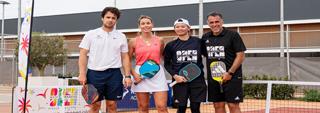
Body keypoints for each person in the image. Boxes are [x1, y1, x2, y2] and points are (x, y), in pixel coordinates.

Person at [78, 7, 132, 113]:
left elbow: (125, 57)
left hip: (114, 74)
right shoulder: (91, 34)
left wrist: (127, 76)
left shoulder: (121, 36)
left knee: (112, 105)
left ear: (116, 20)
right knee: (95, 105)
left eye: (113, 18)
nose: (110, 20)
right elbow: (83, 54)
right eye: (108, 17)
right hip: (94, 74)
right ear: (102, 18)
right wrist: (82, 73)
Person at [201, 12, 246, 113]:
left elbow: (241, 56)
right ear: (208, 23)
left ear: (222, 22)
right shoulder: (205, 37)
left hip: (232, 77)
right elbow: (203, 54)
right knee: (218, 105)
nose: (214, 24)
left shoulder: (233, 35)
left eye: (217, 21)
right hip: (214, 77)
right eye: (211, 22)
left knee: (233, 105)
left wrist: (230, 73)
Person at [163, 18, 207, 113]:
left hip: (197, 80)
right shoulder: (170, 45)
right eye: (177, 27)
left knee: (195, 108)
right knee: (181, 108)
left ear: (188, 28)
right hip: (179, 81)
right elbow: (166, 63)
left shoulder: (198, 42)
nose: (180, 28)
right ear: (174, 29)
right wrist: (175, 76)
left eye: (183, 26)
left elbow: (207, 55)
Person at [128, 15, 169, 113]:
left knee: (162, 107)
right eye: (143, 23)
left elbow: (161, 56)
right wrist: (134, 74)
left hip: (157, 73)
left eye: (148, 23)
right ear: (139, 26)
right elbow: (127, 60)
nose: (145, 25)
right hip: (139, 73)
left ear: (152, 25)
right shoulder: (133, 41)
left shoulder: (160, 40)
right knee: (143, 107)